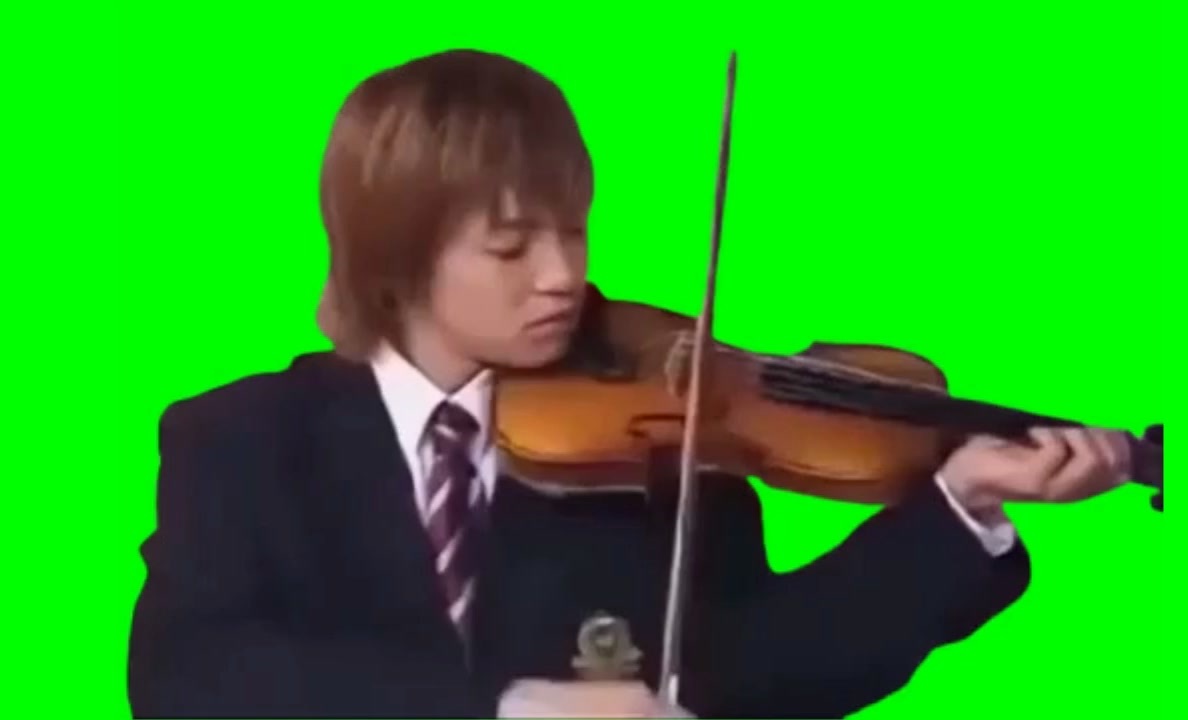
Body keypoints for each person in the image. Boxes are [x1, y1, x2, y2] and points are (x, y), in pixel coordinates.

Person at [126, 49, 1133, 719]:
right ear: (396, 257)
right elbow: (187, 676)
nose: (563, 276)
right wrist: (502, 708)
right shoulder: (244, 439)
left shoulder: (658, 424)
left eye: (573, 231)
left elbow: (765, 670)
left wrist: (960, 504)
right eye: (511, 247)